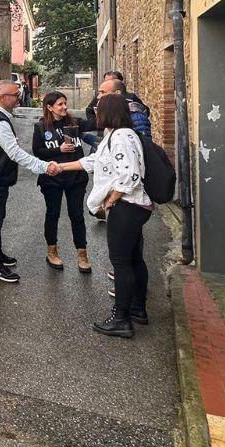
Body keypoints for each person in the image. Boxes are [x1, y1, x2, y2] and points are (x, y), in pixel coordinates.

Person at [49, 94, 154, 338]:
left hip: (127, 207)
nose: (94, 111)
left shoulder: (121, 138)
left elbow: (130, 177)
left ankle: (121, 319)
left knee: (122, 262)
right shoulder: (117, 136)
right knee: (134, 258)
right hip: (133, 206)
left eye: (98, 108)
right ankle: (138, 309)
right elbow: (93, 161)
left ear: (108, 112)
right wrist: (60, 166)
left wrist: (111, 199)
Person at [0, 81, 51, 283]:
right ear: (2, 98)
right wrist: (42, 166)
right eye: (15, 94)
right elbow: (14, 152)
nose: (18, 97)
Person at [32, 91, 91, 273]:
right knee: (52, 214)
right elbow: (38, 152)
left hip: (76, 178)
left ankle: (82, 254)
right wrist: (59, 149)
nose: (64, 107)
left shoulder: (75, 124)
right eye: (60, 104)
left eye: (65, 103)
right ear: (49, 107)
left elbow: (97, 121)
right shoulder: (41, 127)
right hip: (52, 179)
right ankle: (52, 251)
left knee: (77, 215)